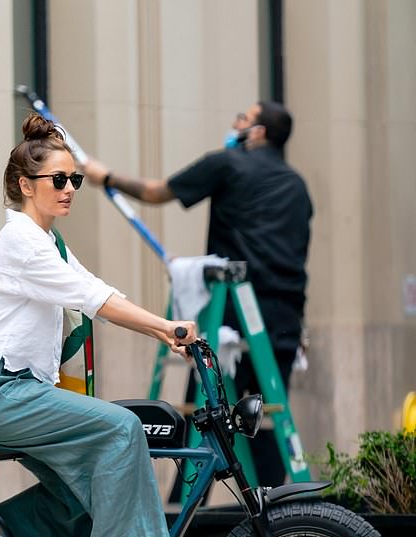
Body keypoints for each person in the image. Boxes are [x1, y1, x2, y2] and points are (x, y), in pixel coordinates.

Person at [0, 113, 197, 537]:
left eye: (75, 180)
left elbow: (95, 288)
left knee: (83, 480)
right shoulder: (21, 242)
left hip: (13, 390)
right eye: (58, 179)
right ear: (26, 184)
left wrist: (166, 332)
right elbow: (94, 301)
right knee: (122, 427)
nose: (69, 189)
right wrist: (164, 327)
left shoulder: (48, 241)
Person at [83, 101, 313, 486]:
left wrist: (105, 176)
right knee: (264, 414)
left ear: (256, 133)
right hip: (282, 316)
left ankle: (187, 509)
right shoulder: (297, 185)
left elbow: (156, 192)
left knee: (207, 410)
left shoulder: (228, 163)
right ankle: (278, 512)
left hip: (231, 310)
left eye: (243, 118)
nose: (234, 121)